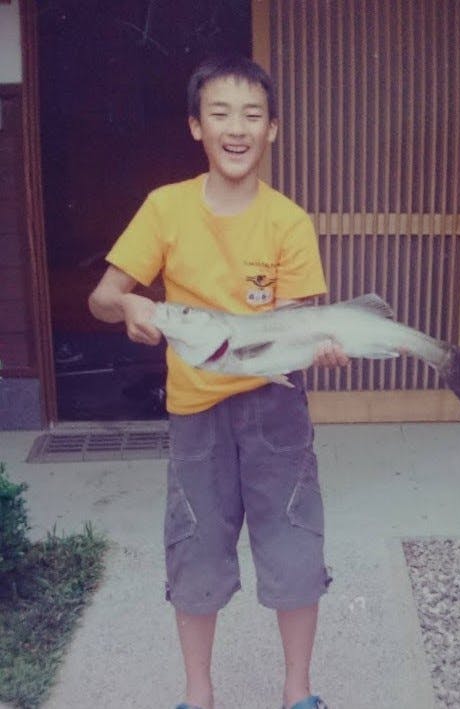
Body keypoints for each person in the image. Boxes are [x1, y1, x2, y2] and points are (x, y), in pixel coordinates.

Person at [89, 54, 348, 709]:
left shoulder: (288, 220)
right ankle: (197, 694)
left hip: (276, 411)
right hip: (194, 414)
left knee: (294, 542)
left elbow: (293, 323)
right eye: (221, 113)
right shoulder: (165, 208)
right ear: (196, 126)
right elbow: (103, 295)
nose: (237, 128)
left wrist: (316, 343)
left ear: (273, 129)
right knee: (195, 550)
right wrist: (131, 305)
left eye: (252, 115)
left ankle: (298, 693)